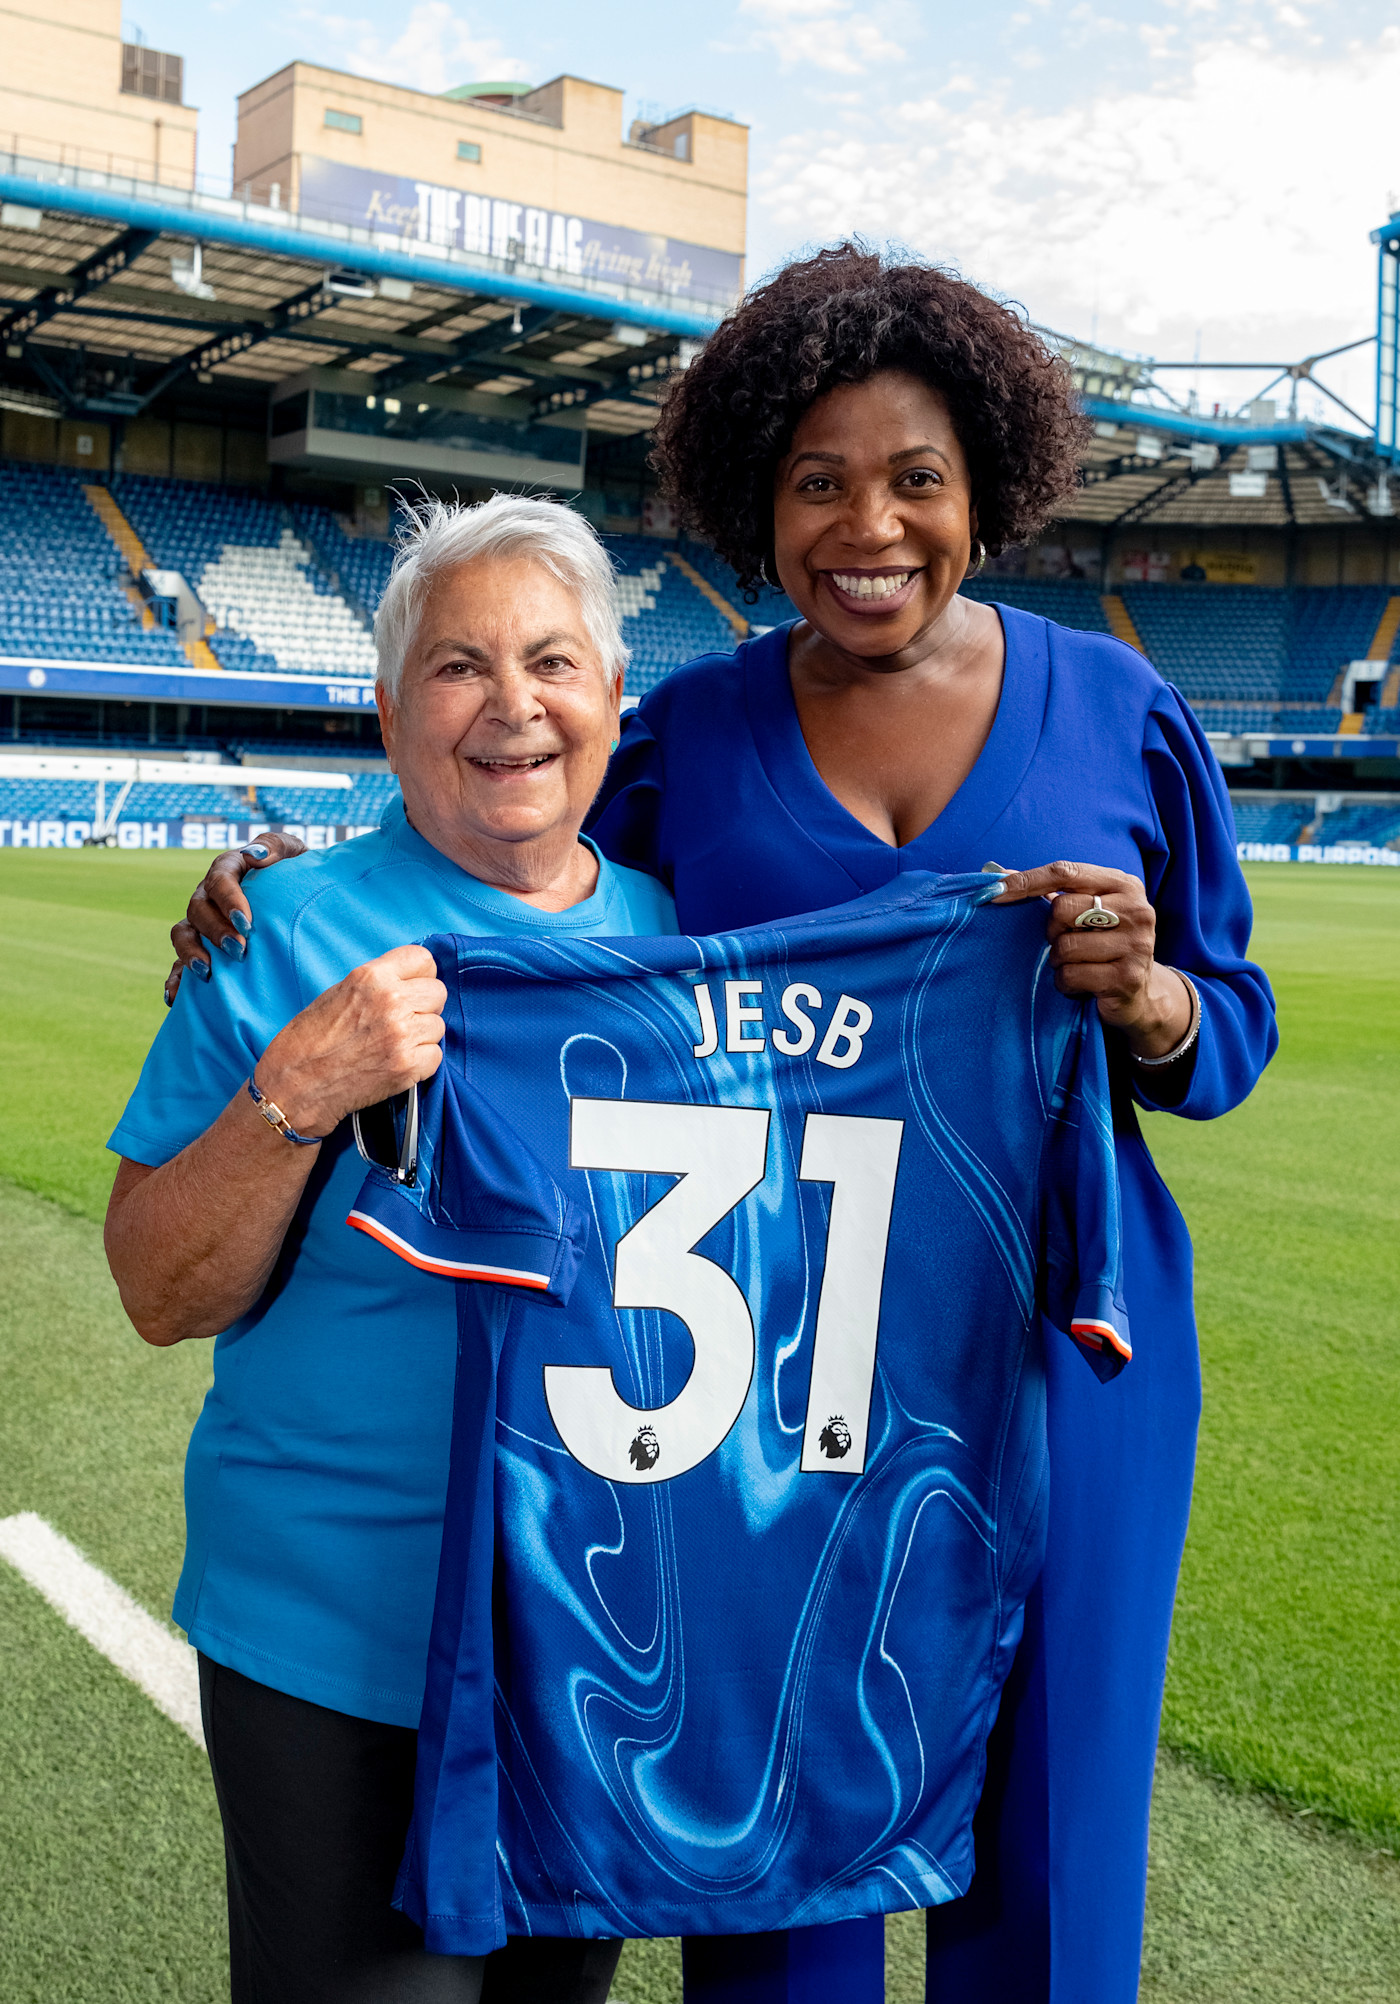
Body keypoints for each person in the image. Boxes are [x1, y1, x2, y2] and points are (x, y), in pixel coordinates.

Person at [165, 246, 1277, 2004]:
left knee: (1059, 1848)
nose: (872, 524)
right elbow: (529, 874)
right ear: (758, 498)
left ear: (989, 487)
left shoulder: (1123, 709)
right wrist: (286, 884)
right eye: (818, 481)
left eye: (918, 478)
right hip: (778, 1353)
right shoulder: (686, 726)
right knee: (777, 1817)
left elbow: (1229, 1033)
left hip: (1073, 1347)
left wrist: (1150, 1006)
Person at [106, 496, 677, 2004]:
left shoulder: (683, 942)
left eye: (554, 662)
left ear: (615, 699)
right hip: (335, 1636)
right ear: (387, 708)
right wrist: (296, 1091)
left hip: (590, 1639)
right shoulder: (274, 931)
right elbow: (157, 1292)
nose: (512, 707)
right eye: (457, 667)